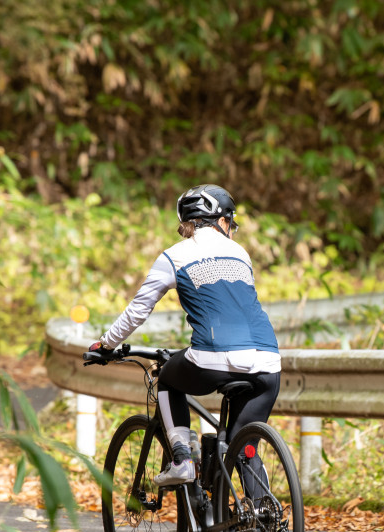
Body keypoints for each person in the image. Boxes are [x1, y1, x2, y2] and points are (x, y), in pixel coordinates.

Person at [90, 184, 281, 489]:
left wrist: (106, 344)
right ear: (220, 221)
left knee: (167, 377)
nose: (231, 229)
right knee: (244, 447)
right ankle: (259, 526)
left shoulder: (174, 256)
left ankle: (181, 459)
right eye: (229, 222)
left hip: (213, 357)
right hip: (268, 360)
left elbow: (138, 310)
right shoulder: (241, 254)